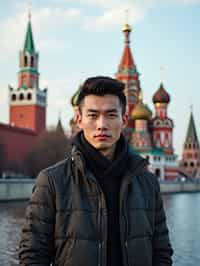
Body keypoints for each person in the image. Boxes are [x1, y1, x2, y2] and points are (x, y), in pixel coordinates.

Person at [19, 76, 173, 266]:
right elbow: (33, 256)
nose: (102, 125)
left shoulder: (147, 183)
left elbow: (161, 252)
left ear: (124, 119)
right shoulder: (52, 182)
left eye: (111, 115)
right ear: (79, 119)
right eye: (93, 115)